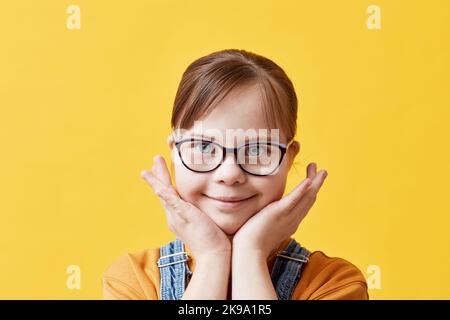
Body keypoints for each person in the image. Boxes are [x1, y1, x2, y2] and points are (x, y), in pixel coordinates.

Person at [102, 49, 369, 300]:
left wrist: (250, 254)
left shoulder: (332, 284)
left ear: (289, 158)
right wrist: (212, 257)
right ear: (175, 152)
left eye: (256, 149)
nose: (229, 174)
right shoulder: (134, 282)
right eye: (205, 146)